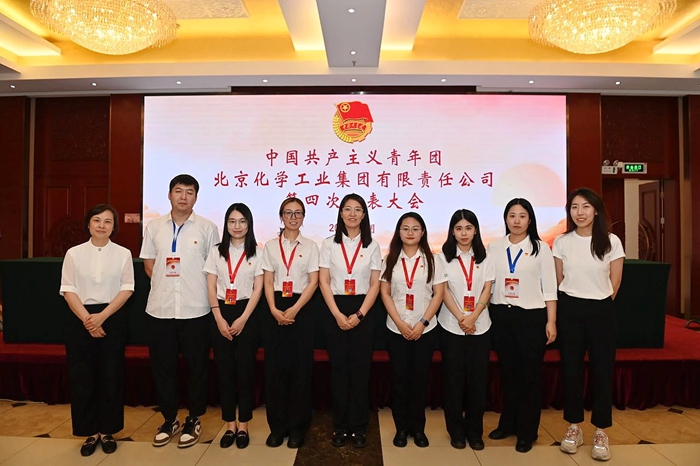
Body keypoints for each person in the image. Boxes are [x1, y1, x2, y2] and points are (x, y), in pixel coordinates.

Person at [139, 174, 220, 448]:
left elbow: (213, 268)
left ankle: (194, 418)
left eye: (189, 192)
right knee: (164, 368)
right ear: (169, 194)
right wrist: (167, 283)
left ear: (196, 197)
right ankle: (169, 419)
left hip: (196, 309)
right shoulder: (154, 227)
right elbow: (149, 264)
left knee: (197, 368)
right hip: (160, 309)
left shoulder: (208, 228)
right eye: (178, 191)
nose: (183, 196)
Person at [553, 188, 625, 462]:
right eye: (574, 207)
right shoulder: (562, 242)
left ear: (596, 210)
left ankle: (601, 431)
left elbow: (615, 282)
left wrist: (599, 302)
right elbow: (559, 278)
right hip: (570, 309)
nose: (579, 212)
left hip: (601, 310)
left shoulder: (611, 241)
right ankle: (574, 427)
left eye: (585, 206)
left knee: (602, 371)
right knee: (571, 370)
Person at [60, 204, 134, 456]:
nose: (102, 225)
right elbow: (68, 289)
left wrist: (102, 317)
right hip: (80, 318)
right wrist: (88, 320)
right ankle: (89, 432)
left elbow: (127, 288)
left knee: (111, 377)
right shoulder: (74, 253)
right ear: (88, 224)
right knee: (83, 378)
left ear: (114, 226)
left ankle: (108, 431)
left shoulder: (123, 253)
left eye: (108, 221)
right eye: (97, 220)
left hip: (112, 317)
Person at [487, 198, 557, 453]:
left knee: (529, 377)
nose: (516, 221)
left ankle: (527, 432)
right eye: (512, 215)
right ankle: (507, 424)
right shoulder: (494, 247)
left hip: (531, 318)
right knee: (508, 374)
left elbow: (550, 288)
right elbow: (488, 283)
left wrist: (551, 321)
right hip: (501, 317)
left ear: (530, 220)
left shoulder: (541, 248)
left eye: (522, 215)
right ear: (505, 219)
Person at [319, 194, 382, 448]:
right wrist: (337, 314)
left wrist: (360, 314)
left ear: (364, 215)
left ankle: (358, 426)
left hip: (363, 310)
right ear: (341, 213)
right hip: (334, 309)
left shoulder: (372, 245)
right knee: (338, 370)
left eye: (357, 209)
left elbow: (375, 283)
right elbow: (324, 281)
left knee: (360, 370)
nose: (352, 214)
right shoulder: (329, 244)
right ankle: (340, 425)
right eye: (347, 209)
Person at [380, 212, 446, 448]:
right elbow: (385, 293)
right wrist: (399, 322)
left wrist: (422, 323)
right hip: (396, 328)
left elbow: (438, 294)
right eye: (405, 228)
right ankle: (401, 428)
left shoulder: (434, 260)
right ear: (398, 232)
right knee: (399, 379)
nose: (410, 232)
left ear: (423, 232)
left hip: (425, 330)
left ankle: (418, 429)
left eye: (415, 228)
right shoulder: (389, 259)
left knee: (419, 380)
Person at [203, 203, 263, 449]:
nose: (237, 226)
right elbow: (210, 285)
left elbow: (258, 288)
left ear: (249, 224)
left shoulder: (257, 253)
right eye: (232, 221)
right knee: (225, 371)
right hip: (220, 312)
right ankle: (229, 424)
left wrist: (243, 318)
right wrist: (218, 317)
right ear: (226, 224)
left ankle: (244, 425)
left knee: (245, 371)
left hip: (247, 313)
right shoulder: (216, 252)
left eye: (242, 221)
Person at [261, 197, 319, 449]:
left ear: (303, 218)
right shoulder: (270, 246)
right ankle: (277, 427)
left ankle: (297, 427)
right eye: (288, 213)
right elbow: (267, 280)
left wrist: (295, 308)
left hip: (302, 309)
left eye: (298, 213)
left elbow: (314, 281)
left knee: (300, 371)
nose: (293, 217)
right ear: (281, 216)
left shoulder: (311, 246)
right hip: (274, 308)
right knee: (275, 371)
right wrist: (273, 309)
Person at [437, 209, 494, 451]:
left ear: (475, 231)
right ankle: (456, 432)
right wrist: (462, 318)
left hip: (480, 326)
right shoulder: (442, 258)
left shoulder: (485, 257)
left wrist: (473, 316)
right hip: (451, 326)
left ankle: (475, 432)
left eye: (468, 228)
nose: (464, 233)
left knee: (477, 383)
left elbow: (487, 289)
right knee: (453, 382)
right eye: (459, 228)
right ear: (452, 231)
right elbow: (443, 291)